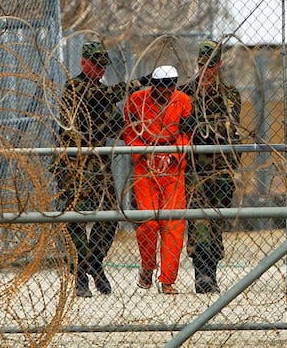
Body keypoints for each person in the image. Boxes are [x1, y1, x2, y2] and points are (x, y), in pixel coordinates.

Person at [54, 40, 148, 297]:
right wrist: (136, 85)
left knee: (108, 218)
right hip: (75, 165)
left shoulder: (101, 90)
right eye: (96, 65)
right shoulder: (75, 87)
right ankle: (81, 274)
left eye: (104, 66)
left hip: (99, 165)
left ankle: (94, 262)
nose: (101, 70)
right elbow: (97, 100)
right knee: (76, 220)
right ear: (84, 63)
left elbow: (115, 124)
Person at [122, 65, 193, 295]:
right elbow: (130, 130)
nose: (163, 93)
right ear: (152, 85)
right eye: (158, 88)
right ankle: (147, 266)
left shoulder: (183, 101)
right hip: (145, 167)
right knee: (148, 221)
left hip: (172, 169)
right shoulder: (137, 100)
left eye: (168, 88)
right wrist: (145, 153)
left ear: (173, 87)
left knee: (173, 223)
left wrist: (172, 154)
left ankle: (167, 279)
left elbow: (187, 133)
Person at [179, 40, 242, 294]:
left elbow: (229, 127)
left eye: (211, 66)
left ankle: (210, 271)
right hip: (193, 167)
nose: (205, 71)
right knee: (198, 220)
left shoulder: (229, 94)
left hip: (220, 166)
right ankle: (202, 274)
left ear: (219, 65)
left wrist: (199, 127)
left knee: (215, 220)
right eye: (202, 65)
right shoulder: (185, 93)